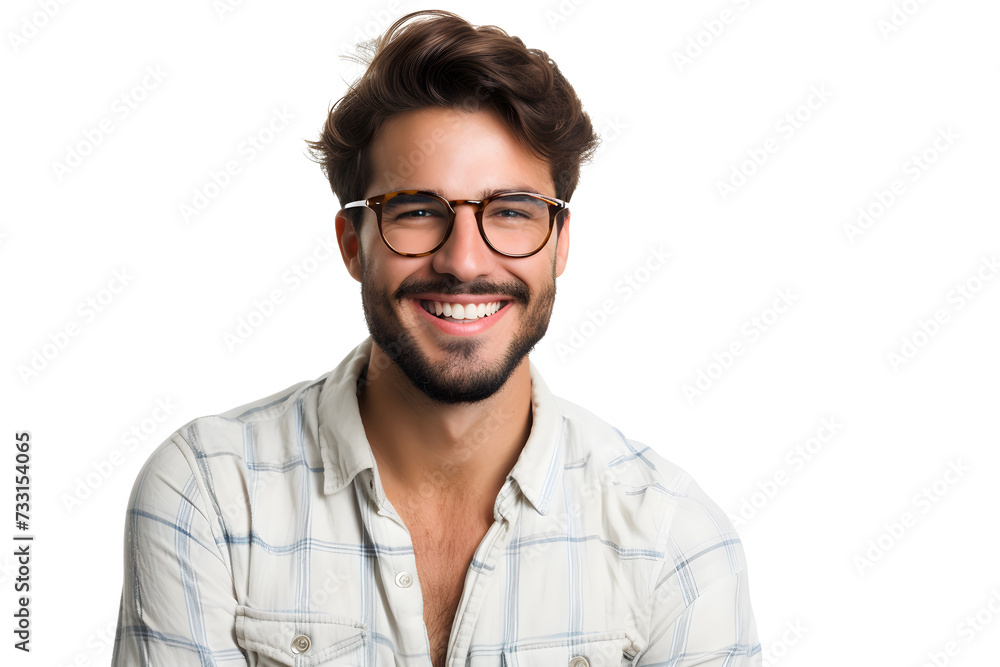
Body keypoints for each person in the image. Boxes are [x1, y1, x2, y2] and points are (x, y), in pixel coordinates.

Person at [112, 10, 761, 666]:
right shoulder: (210, 495)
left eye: (510, 211)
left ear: (560, 245)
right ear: (352, 245)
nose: (466, 261)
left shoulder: (674, 544)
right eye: (419, 211)